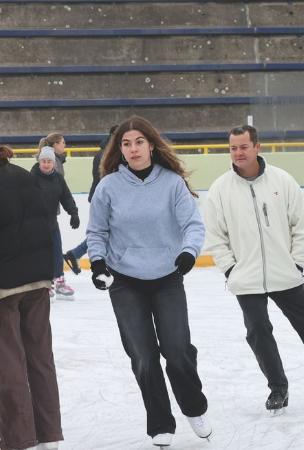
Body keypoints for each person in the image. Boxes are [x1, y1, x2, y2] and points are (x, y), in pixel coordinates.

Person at [203, 125, 304, 416]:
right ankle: (278, 387)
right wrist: (230, 271)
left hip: (285, 273)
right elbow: (216, 236)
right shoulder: (220, 190)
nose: (238, 153)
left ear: (257, 147)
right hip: (246, 278)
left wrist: (296, 263)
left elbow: (302, 226)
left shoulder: (282, 181)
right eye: (233, 148)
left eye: (243, 147)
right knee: (258, 332)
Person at [86, 116, 211, 447]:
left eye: (139, 141)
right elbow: (97, 232)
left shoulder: (171, 183)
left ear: (152, 145)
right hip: (125, 281)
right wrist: (98, 263)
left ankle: (194, 405)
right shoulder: (108, 187)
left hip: (167, 276)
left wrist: (187, 253)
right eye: (126, 143)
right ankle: (160, 421)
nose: (133, 148)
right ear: (120, 149)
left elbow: (193, 225)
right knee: (143, 355)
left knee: (177, 349)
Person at [0, 144, 63, 450]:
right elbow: (46, 227)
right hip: (37, 282)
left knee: (8, 363)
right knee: (40, 358)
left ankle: (19, 437)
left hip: (5, 289)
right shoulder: (23, 176)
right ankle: (49, 434)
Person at [63, 125, 118, 275]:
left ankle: (75, 254)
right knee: (104, 231)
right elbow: (104, 179)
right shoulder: (106, 155)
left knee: (108, 231)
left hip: (103, 197)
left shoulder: (109, 152)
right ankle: (76, 254)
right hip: (104, 199)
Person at [30, 147, 79, 300]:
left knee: (56, 252)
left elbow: (66, 196)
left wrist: (73, 213)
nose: (46, 164)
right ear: (39, 162)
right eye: (43, 161)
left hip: (52, 222)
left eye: (49, 161)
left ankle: (59, 282)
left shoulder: (58, 178)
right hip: (35, 223)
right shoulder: (31, 177)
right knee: (39, 253)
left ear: (53, 163)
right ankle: (43, 284)